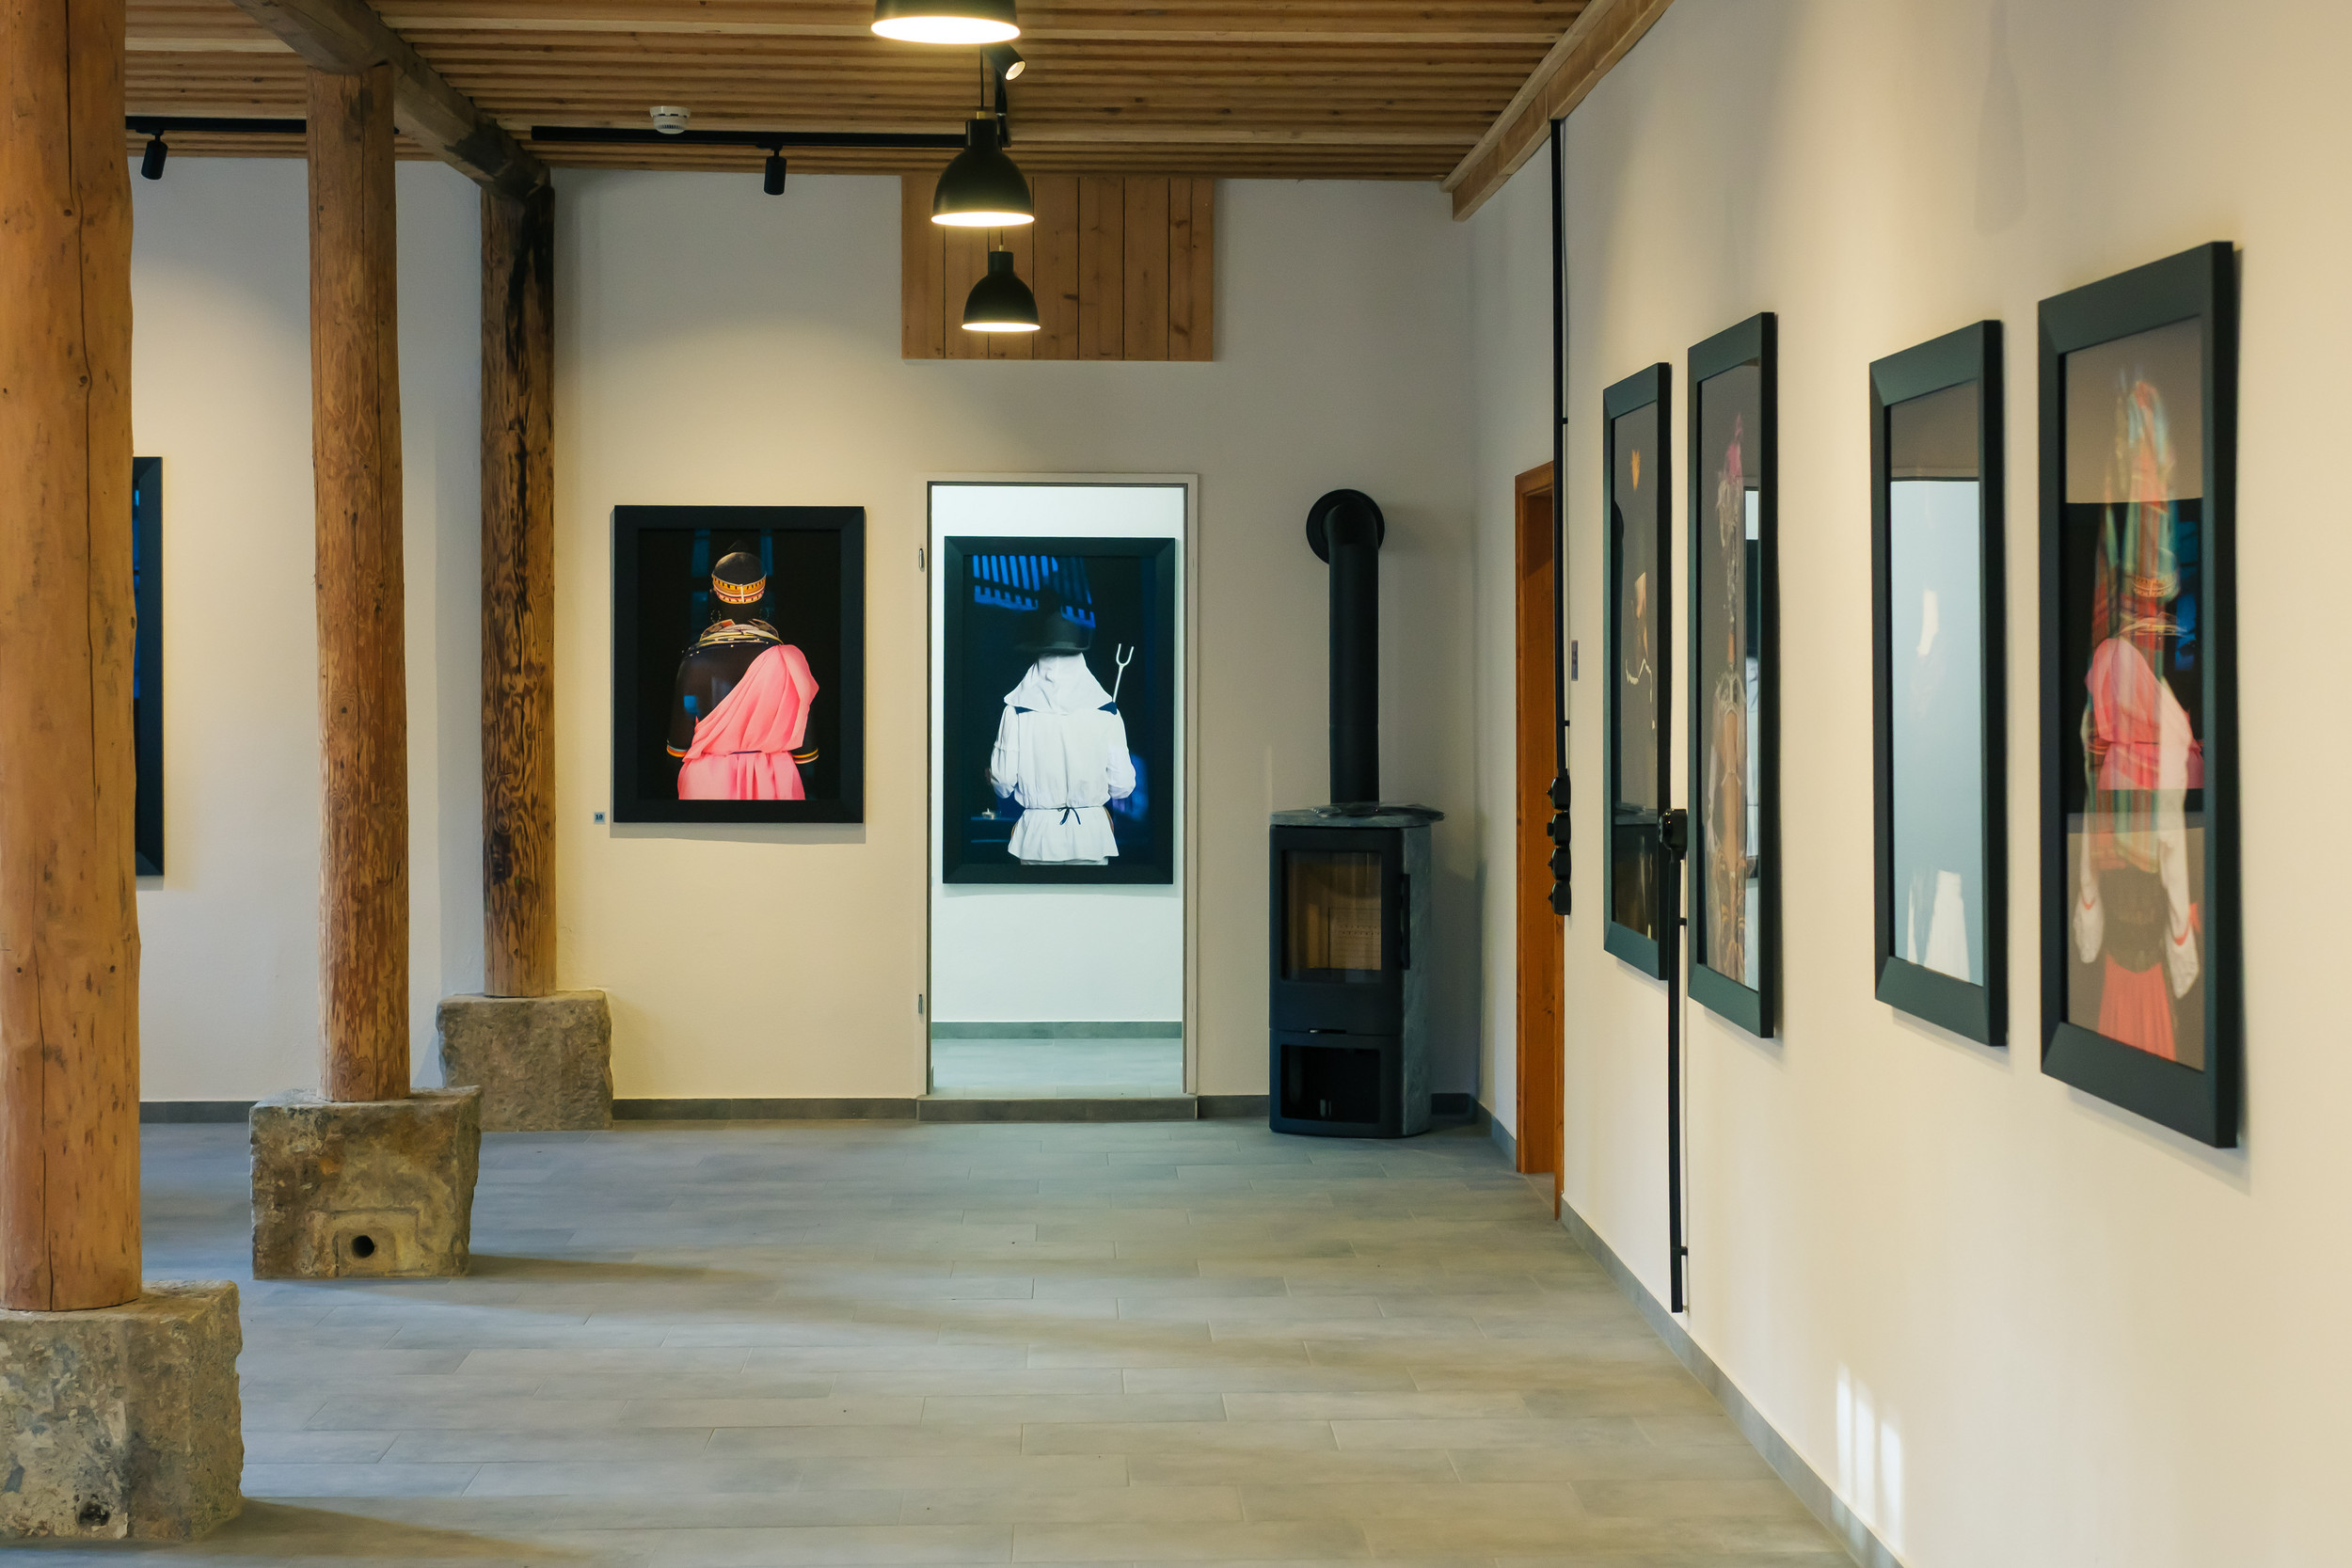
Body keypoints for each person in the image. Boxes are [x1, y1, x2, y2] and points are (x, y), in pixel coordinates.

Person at [987, 601, 1136, 864]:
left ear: (1039, 654)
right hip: (1092, 838)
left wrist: (995, 781)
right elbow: (1122, 786)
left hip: (1036, 840)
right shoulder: (1106, 711)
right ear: (1079, 657)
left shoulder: (1017, 711)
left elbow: (1003, 782)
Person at [667, 551, 818, 800]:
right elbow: (806, 754)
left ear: (713, 595)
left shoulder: (695, 661)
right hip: (775, 783)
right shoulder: (789, 659)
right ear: (763, 595)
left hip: (708, 786)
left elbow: (677, 749)